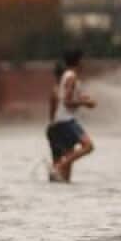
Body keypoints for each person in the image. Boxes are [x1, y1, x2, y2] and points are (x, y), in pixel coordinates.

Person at [46, 49, 96, 182]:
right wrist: (85, 103)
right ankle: (57, 167)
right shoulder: (72, 76)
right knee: (88, 146)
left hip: (60, 121)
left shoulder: (67, 76)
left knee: (66, 177)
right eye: (83, 60)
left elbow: (65, 97)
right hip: (66, 120)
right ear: (78, 61)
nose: (85, 63)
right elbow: (67, 102)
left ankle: (58, 172)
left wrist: (82, 98)